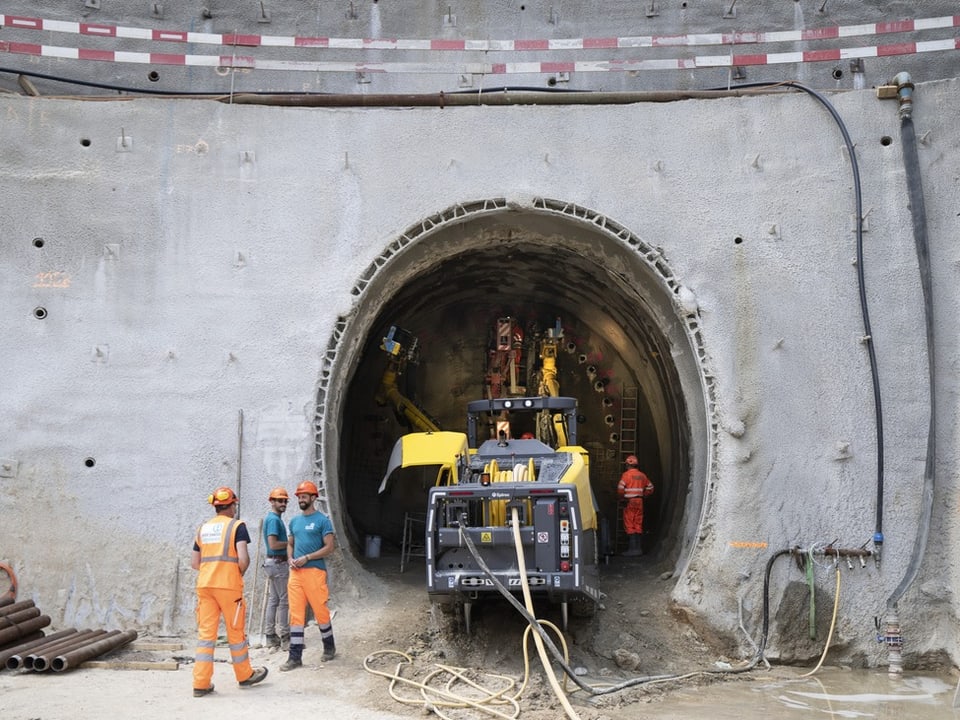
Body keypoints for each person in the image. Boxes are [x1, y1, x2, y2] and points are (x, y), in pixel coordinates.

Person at [191, 486, 268, 697]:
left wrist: (212, 571)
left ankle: (201, 683)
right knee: (235, 633)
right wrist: (234, 574)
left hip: (205, 585)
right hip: (228, 586)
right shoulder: (237, 526)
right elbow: (243, 559)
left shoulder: (203, 528)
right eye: (235, 504)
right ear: (231, 505)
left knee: (206, 635)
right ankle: (244, 675)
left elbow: (194, 562)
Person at [281, 480, 337, 671]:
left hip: (315, 572)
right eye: (299, 497)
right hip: (295, 573)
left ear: (313, 498)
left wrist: (307, 557)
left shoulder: (323, 521)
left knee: (320, 611)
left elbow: (330, 547)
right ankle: (295, 656)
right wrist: (290, 558)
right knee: (296, 615)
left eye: (304, 496)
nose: (301, 499)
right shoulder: (295, 521)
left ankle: (329, 647)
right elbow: (290, 543)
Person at [262, 486, 290, 650]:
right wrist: (291, 542)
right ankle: (286, 638)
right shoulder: (274, 520)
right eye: (279, 500)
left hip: (272, 563)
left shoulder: (274, 519)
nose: (283, 503)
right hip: (278, 563)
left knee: (274, 600)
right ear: (272, 501)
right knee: (284, 601)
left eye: (285, 501)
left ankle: (270, 635)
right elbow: (273, 544)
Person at [617, 455, 654, 557]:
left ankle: (632, 550)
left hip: (629, 501)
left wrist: (622, 498)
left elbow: (620, 488)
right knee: (638, 523)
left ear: (628, 465)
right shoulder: (642, 475)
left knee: (629, 524)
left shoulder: (626, 475)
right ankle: (638, 549)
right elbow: (650, 487)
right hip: (639, 501)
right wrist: (644, 495)